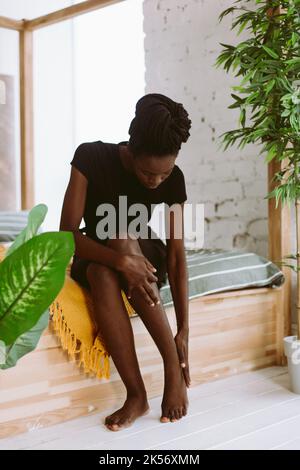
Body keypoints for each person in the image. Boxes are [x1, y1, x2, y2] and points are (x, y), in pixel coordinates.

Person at [59, 93, 192, 432]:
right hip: (97, 254)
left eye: (164, 174)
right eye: (149, 173)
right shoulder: (91, 157)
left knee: (122, 235)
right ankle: (137, 395)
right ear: (131, 150)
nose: (156, 181)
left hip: (143, 258)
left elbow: (176, 257)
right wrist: (120, 261)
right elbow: (66, 236)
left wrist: (184, 329)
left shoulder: (174, 179)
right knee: (104, 269)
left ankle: (172, 367)